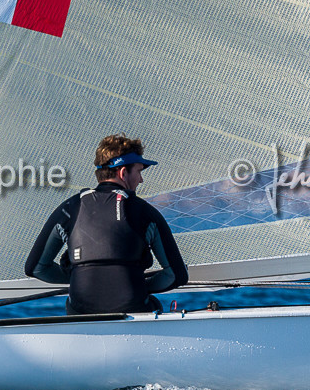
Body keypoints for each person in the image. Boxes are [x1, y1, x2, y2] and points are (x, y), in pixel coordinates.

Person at [24, 134, 189, 314]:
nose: (141, 180)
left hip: (80, 313)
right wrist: (142, 284)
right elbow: (176, 275)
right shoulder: (145, 212)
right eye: (139, 172)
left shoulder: (69, 209)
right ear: (123, 173)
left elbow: (36, 268)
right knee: (155, 304)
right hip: (133, 309)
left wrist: (77, 277)